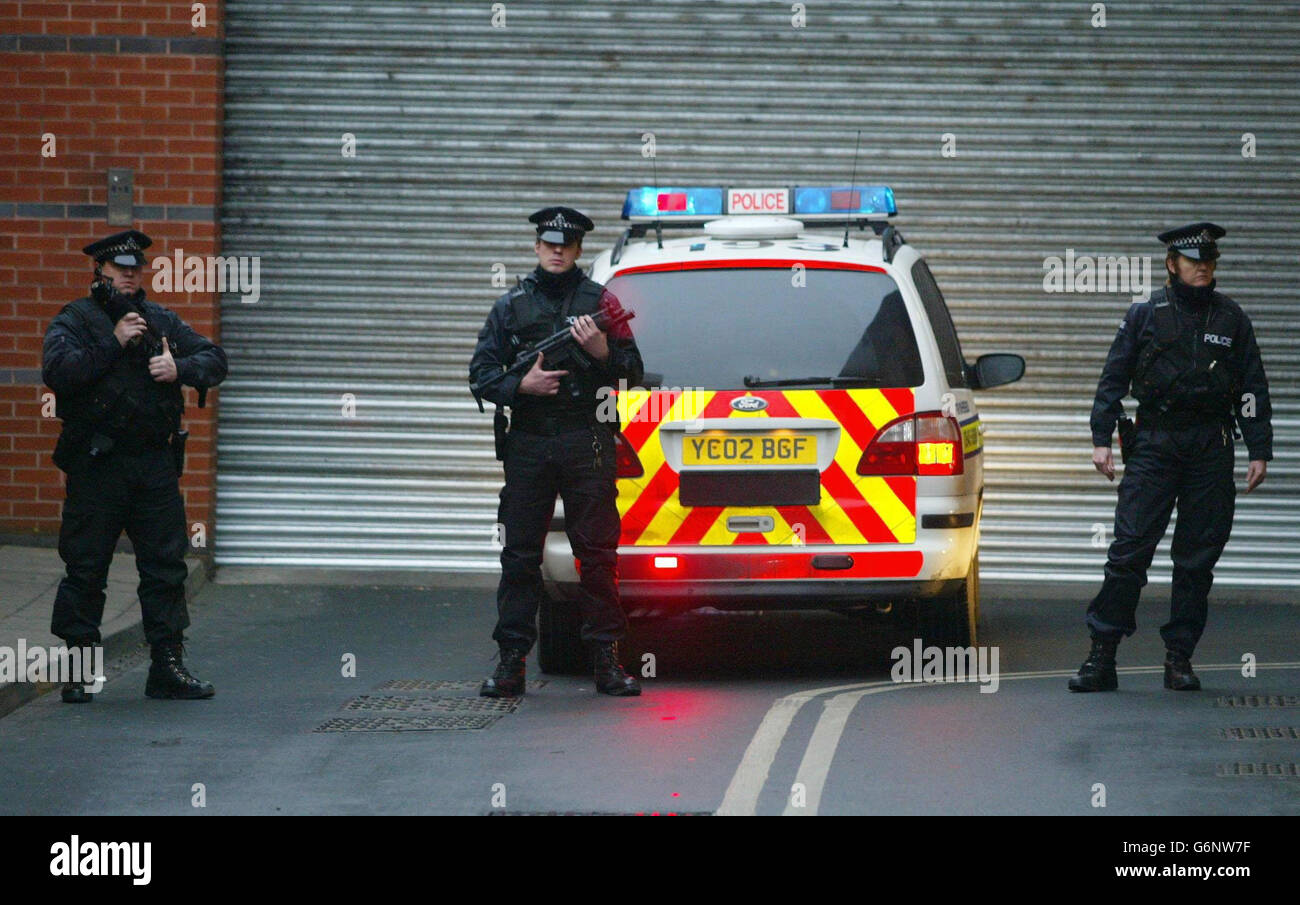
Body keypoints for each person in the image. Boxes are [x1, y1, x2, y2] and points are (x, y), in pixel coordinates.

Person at [1071, 223, 1271, 693]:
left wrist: (1259, 447)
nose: (1203, 267)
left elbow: (1251, 387)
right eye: (1193, 260)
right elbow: (1113, 378)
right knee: (1129, 551)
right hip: (1155, 443)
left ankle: (1179, 658)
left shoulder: (1231, 318)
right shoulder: (1145, 314)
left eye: (1209, 260)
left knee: (1197, 560)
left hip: (1211, 446)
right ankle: (1102, 657)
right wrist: (1101, 437)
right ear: (1172, 264)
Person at [42, 229, 228, 702]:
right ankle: (81, 670)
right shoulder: (76, 321)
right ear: (99, 272)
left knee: (166, 568)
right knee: (86, 569)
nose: (129, 275)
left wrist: (180, 370)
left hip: (153, 467)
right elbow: (58, 372)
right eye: (119, 268)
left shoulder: (159, 320)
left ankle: (167, 666)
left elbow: (215, 358)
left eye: (135, 268)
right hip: (97, 467)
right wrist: (113, 342)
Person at [469, 206, 644, 697]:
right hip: (528, 443)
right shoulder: (511, 306)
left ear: (578, 250)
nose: (557, 250)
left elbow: (633, 375)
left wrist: (602, 353)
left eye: (566, 245)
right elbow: (479, 375)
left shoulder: (602, 303)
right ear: (537, 246)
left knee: (597, 555)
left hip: (586, 438)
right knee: (521, 555)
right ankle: (511, 665)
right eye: (549, 243)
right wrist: (520, 383)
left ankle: (607, 663)